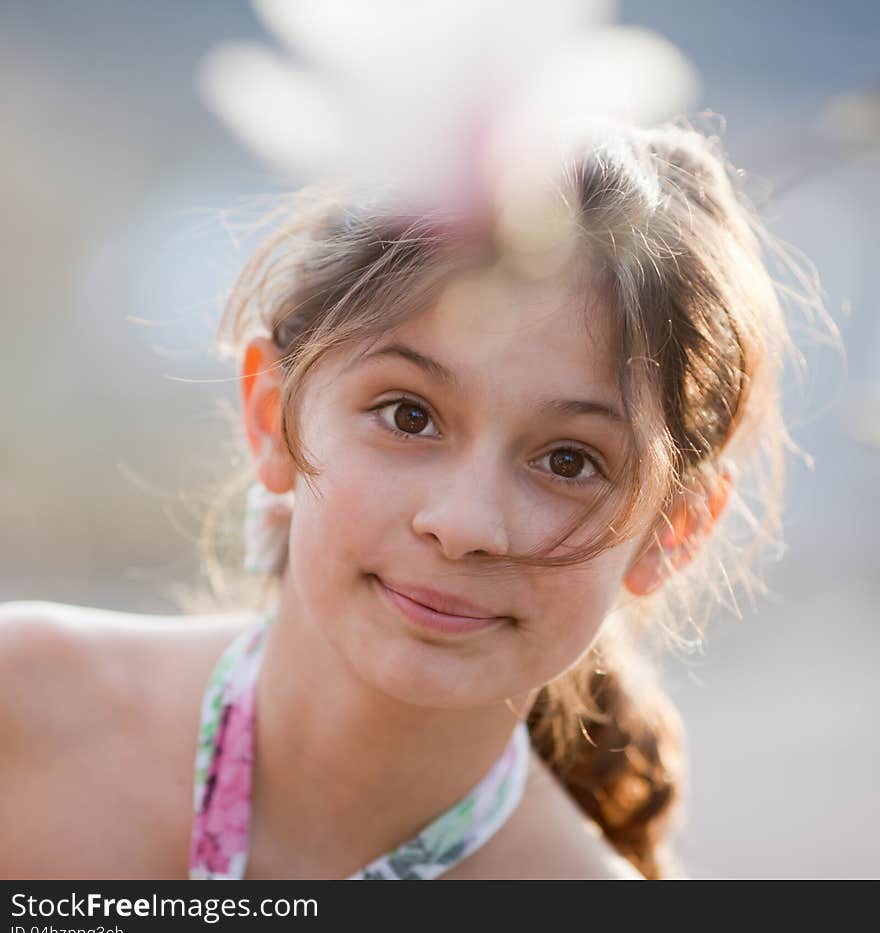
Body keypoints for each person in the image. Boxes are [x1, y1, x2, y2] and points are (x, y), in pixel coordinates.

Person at [0, 120, 821, 880]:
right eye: (409, 415)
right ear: (271, 419)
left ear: (673, 531)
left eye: (569, 461)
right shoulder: (24, 714)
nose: (464, 525)